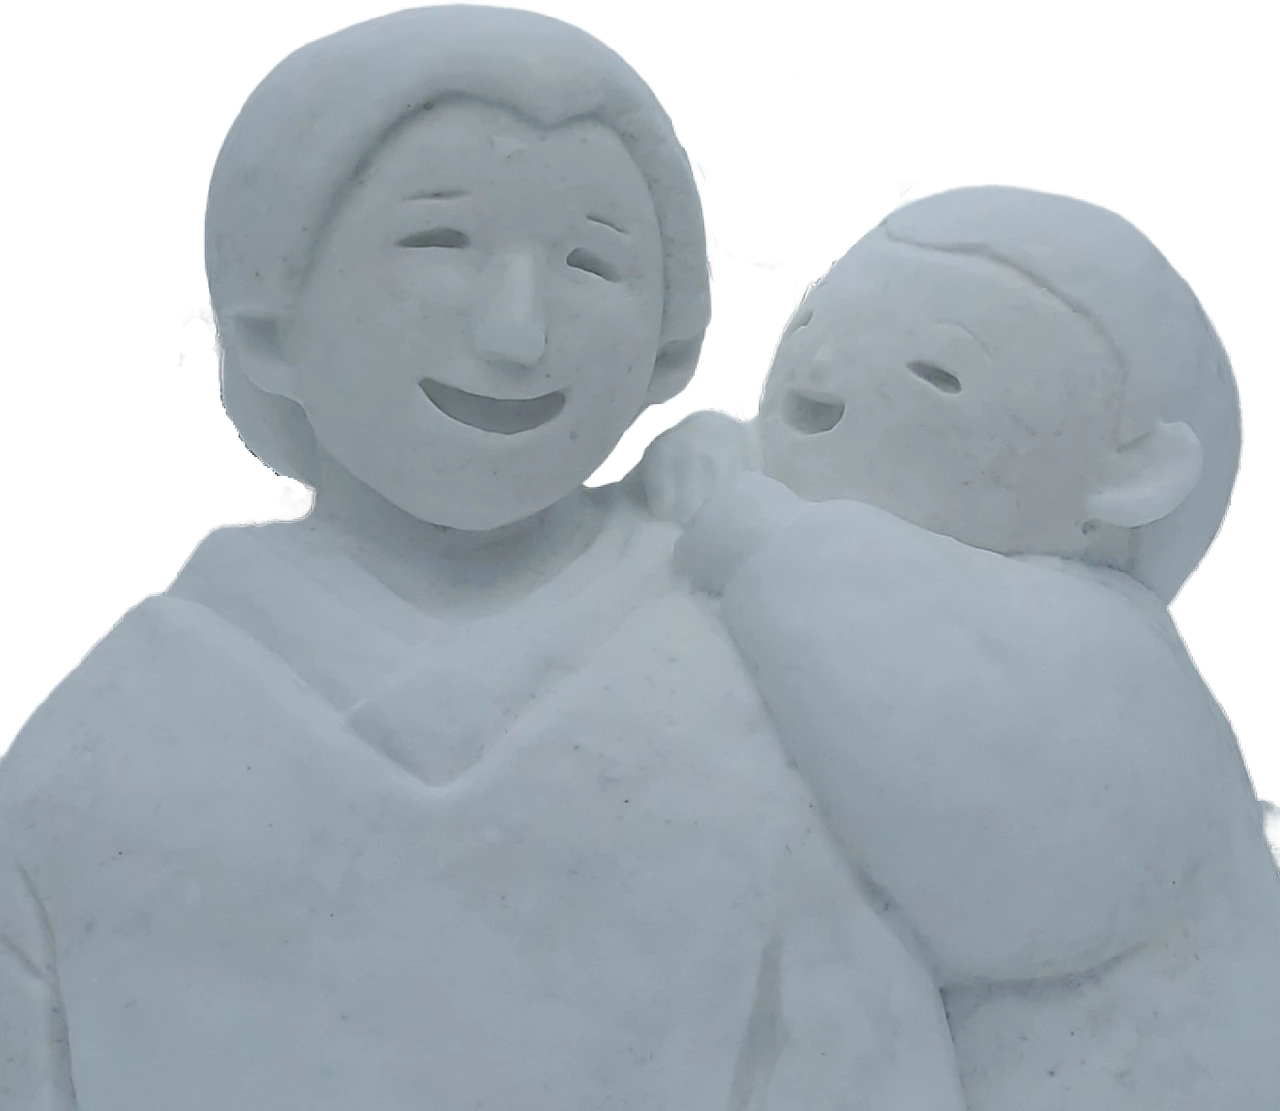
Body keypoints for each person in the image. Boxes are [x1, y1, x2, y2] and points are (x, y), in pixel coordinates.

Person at [0, 5, 969, 1109]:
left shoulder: (771, 675)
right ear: (269, 320)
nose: (517, 332)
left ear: (667, 342)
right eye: (439, 242)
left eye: (590, 262)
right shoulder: (120, 728)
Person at [644, 183, 1280, 1109]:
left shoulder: (1104, 661)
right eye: (814, 329)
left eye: (936, 374)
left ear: (1130, 477)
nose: (822, 381)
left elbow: (995, 878)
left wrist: (749, 530)